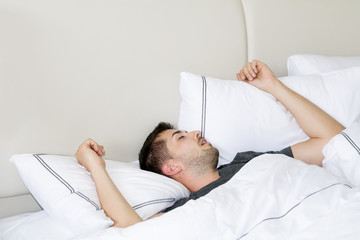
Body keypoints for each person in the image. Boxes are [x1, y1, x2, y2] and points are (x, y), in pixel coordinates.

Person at [75, 60, 345, 228]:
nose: (194, 132)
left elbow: (334, 141)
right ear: (171, 168)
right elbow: (133, 231)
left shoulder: (251, 162)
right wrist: (95, 167)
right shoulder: (186, 210)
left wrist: (272, 86)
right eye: (180, 137)